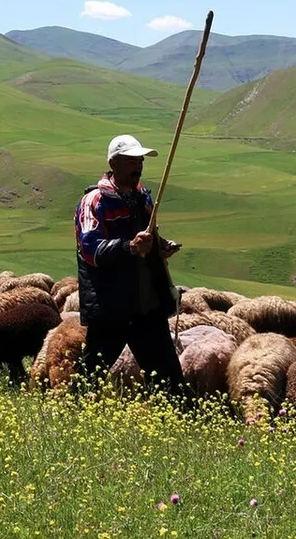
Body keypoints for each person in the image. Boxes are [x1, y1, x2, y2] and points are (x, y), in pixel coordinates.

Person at [73, 133, 188, 401]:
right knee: (91, 373)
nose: (138, 167)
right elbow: (90, 249)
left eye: (140, 161)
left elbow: (148, 238)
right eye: (131, 161)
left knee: (170, 377)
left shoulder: (143, 198)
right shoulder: (94, 202)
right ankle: (66, 416)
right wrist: (129, 247)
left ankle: (180, 428)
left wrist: (161, 247)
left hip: (146, 305)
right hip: (112, 305)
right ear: (113, 164)